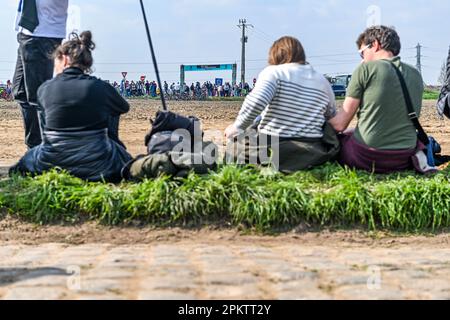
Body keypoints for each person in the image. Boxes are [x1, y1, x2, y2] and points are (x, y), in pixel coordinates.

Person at [10, 31, 132, 182]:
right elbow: (123, 107)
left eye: (56, 60)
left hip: (51, 161)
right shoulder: (101, 87)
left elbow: (45, 124)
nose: (54, 65)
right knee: (125, 155)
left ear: (65, 59)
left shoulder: (45, 89)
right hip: (99, 163)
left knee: (21, 164)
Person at [225, 36, 340, 173]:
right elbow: (331, 115)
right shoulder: (322, 81)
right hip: (312, 153)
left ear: (275, 55)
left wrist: (237, 127)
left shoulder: (274, 72)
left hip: (275, 150)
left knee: (234, 146)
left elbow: (257, 102)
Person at [328, 26, 432, 174]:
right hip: (404, 157)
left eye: (362, 52)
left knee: (338, 141)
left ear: (375, 44)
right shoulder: (415, 74)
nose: (363, 58)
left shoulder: (365, 69)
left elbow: (339, 124)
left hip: (367, 157)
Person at [12, 0, 69, 149]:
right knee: (21, 92)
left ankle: (45, 151)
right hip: (27, 32)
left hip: (44, 33)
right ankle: (34, 146)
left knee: (38, 98)